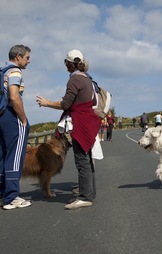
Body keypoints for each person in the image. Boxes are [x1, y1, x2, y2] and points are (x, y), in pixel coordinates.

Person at [36, 49, 101, 209]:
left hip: (80, 122)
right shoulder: (88, 79)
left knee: (81, 160)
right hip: (89, 121)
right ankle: (89, 193)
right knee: (87, 159)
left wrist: (47, 103)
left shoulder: (74, 81)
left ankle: (85, 196)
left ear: (69, 64)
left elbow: (66, 104)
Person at [0, 44, 32, 210]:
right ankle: (11, 197)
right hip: (10, 115)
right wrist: (23, 119)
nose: (28, 61)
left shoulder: (0, 71)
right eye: (27, 57)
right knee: (15, 156)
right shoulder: (15, 72)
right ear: (18, 56)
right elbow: (14, 97)